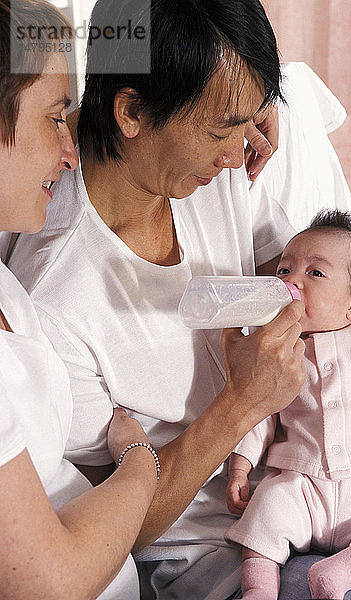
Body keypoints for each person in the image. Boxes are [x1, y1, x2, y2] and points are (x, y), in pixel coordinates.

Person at [5, 1, 351, 598]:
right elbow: (121, 530)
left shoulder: (214, 174)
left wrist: (254, 105)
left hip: (334, 498)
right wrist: (240, 405)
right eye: (222, 127)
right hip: (217, 557)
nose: (238, 154)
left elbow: (307, 281)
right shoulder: (54, 300)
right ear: (130, 113)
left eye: (244, 123)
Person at [0, 1, 163, 598]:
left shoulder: (7, 284)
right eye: (54, 119)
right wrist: (141, 463)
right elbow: (51, 581)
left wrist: (267, 105)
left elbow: (122, 29)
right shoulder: (49, 281)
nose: (69, 152)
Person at [226, 209, 351, 600]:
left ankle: (341, 574)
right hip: (304, 486)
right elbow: (258, 411)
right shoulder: (277, 351)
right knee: (268, 506)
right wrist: (241, 467)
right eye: (284, 270)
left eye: (315, 273)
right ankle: (258, 589)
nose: (292, 281)